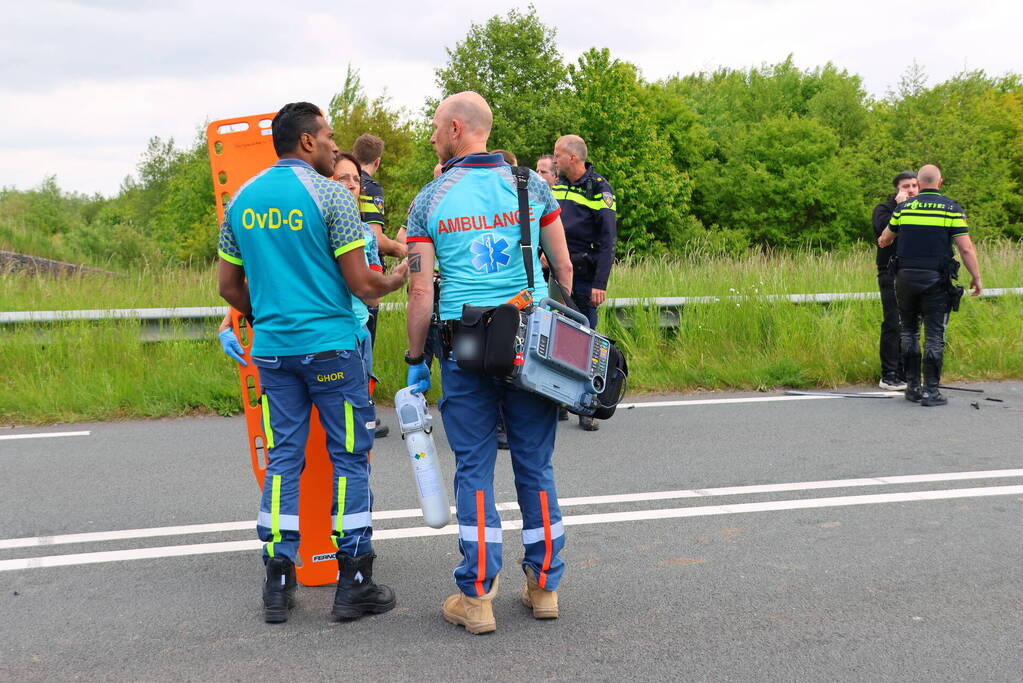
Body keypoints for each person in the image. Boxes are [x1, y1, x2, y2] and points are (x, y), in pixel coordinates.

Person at [217, 101, 408, 624]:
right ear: (306, 141)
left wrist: (268, 315)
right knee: (349, 456)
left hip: (273, 352)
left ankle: (278, 580)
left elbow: (228, 287)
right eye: (328, 137)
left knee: (284, 457)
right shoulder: (332, 196)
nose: (333, 145)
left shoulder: (242, 199)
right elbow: (363, 283)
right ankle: (355, 581)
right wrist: (398, 278)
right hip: (331, 348)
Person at [404, 91, 574, 635]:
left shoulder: (430, 199)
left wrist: (415, 358)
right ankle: (544, 586)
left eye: (436, 126)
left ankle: (477, 597)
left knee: (474, 469)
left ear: (456, 128)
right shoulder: (533, 186)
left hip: (465, 349)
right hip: (531, 344)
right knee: (536, 465)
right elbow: (563, 267)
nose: (432, 135)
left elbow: (419, 292)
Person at [878, 164, 982, 406]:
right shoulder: (951, 209)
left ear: (919, 183)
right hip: (936, 279)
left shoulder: (903, 208)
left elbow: (885, 238)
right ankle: (931, 392)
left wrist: (884, 240)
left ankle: (913, 387)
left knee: (909, 331)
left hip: (905, 279)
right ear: (940, 182)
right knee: (934, 335)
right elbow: (966, 248)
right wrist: (976, 277)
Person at [551, 134, 617, 431]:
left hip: (585, 275)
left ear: (573, 157)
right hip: (557, 272)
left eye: (558, 155)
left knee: (585, 339)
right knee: (555, 336)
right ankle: (558, 401)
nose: (555, 160)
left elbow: (608, 240)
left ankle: (587, 405)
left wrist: (600, 283)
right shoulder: (559, 184)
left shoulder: (599, 188)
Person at [334, 151, 390, 437]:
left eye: (356, 179)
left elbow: (373, 296)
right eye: (343, 178)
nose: (352, 184)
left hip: (358, 329)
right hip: (328, 335)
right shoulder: (314, 227)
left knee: (356, 424)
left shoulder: (366, 233)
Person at [871, 170, 918, 391]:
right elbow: (884, 233)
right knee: (893, 322)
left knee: (912, 324)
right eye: (906, 186)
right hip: (890, 271)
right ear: (897, 189)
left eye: (914, 185)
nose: (911, 190)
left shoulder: (922, 210)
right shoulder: (884, 209)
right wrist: (900, 208)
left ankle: (905, 372)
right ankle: (889, 374)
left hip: (914, 272)